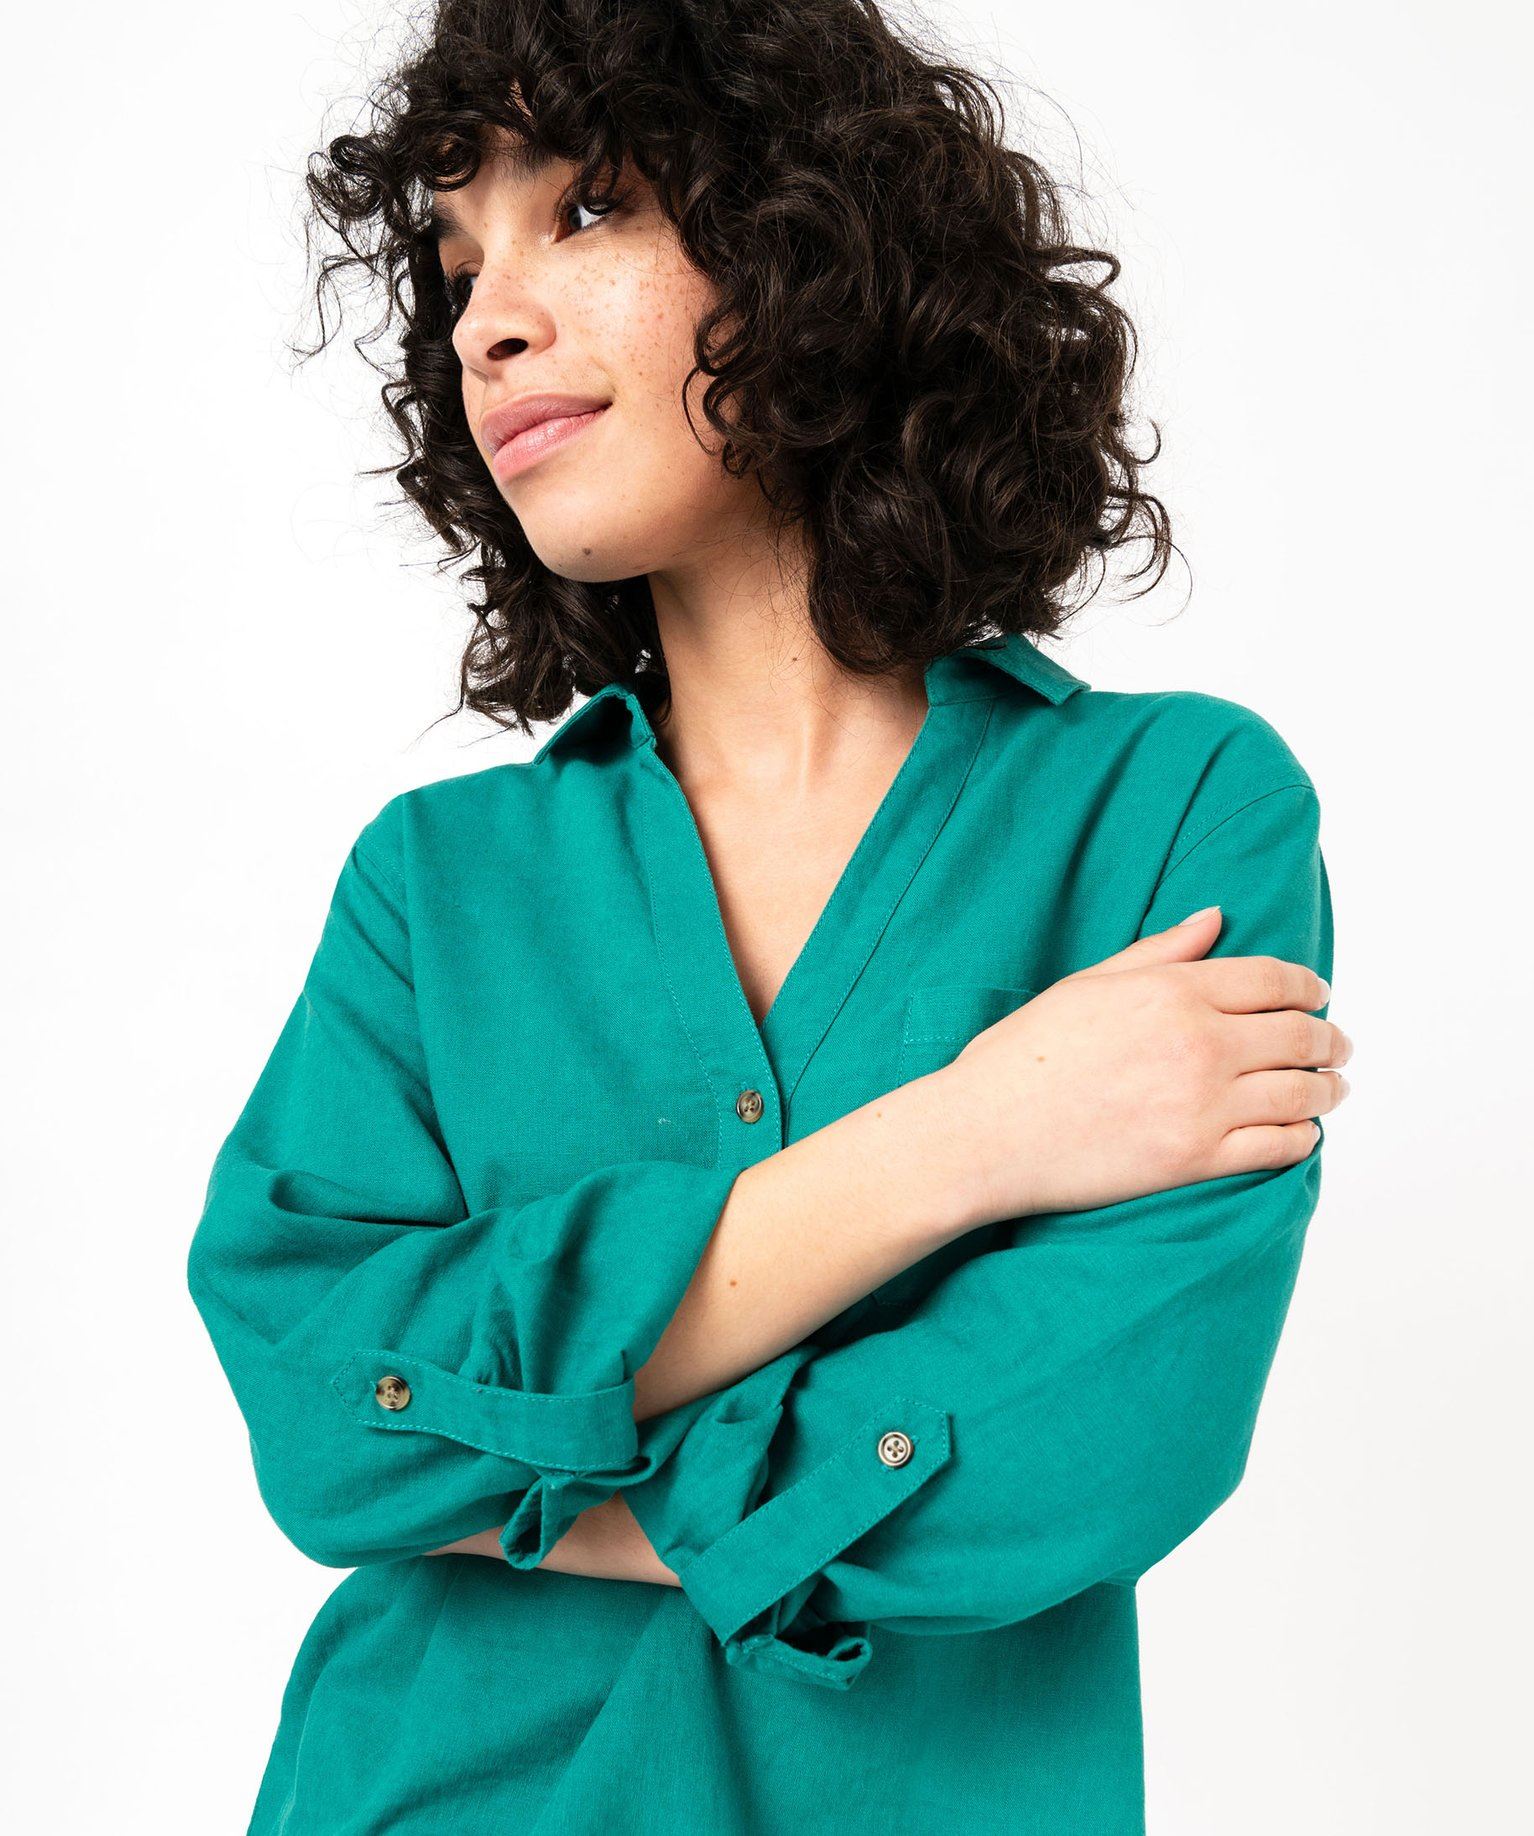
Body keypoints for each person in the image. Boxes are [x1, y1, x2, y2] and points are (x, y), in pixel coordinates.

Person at [187, 2, 1352, 1829]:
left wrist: (522, 1470)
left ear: (819, 245)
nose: (485, 321)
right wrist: (974, 1138)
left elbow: (1096, 1451)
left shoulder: (1171, 814)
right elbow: (322, 1425)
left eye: (588, 208)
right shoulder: (435, 883)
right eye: (459, 264)